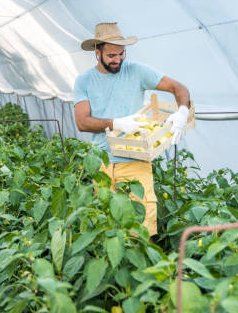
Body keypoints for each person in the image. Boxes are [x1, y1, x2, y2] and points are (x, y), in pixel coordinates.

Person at [74, 23, 190, 237]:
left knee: (143, 225)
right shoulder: (85, 81)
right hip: (102, 164)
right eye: (111, 55)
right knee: (109, 227)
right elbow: (82, 122)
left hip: (135, 160)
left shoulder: (136, 71)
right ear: (97, 52)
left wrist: (182, 111)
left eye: (121, 53)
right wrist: (116, 123)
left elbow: (178, 87)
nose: (117, 59)